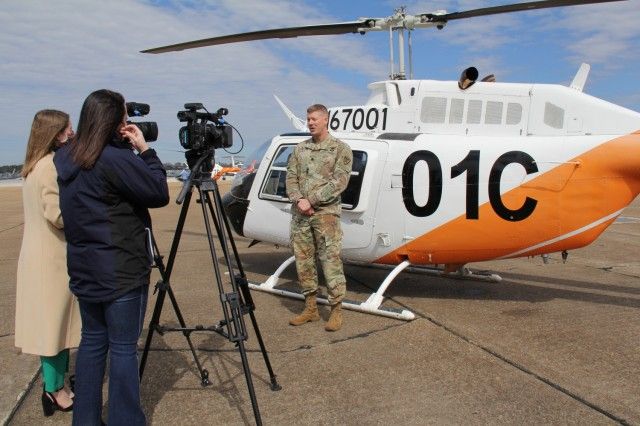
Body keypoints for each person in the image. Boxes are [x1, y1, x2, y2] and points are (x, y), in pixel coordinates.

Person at [54, 89, 169, 425]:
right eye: (124, 117)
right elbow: (158, 192)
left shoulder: (67, 158)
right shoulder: (113, 159)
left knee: (92, 344)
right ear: (115, 121)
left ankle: (86, 419)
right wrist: (145, 150)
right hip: (120, 270)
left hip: (85, 269)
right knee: (122, 348)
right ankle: (125, 419)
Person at [15, 109, 80, 416]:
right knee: (54, 331)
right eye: (69, 130)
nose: (73, 134)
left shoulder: (32, 167)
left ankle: (57, 386)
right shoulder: (49, 167)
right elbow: (58, 215)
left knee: (54, 328)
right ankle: (54, 391)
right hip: (51, 260)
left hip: (40, 257)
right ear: (56, 134)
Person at [286, 104, 353, 332]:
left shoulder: (340, 149)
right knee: (304, 262)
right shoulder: (300, 149)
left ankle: (336, 311)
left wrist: (311, 200)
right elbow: (291, 178)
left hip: (326, 216)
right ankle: (311, 309)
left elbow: (340, 183)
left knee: (330, 262)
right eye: (308, 118)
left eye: (315, 118)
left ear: (326, 120)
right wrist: (298, 201)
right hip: (300, 215)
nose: (310, 122)